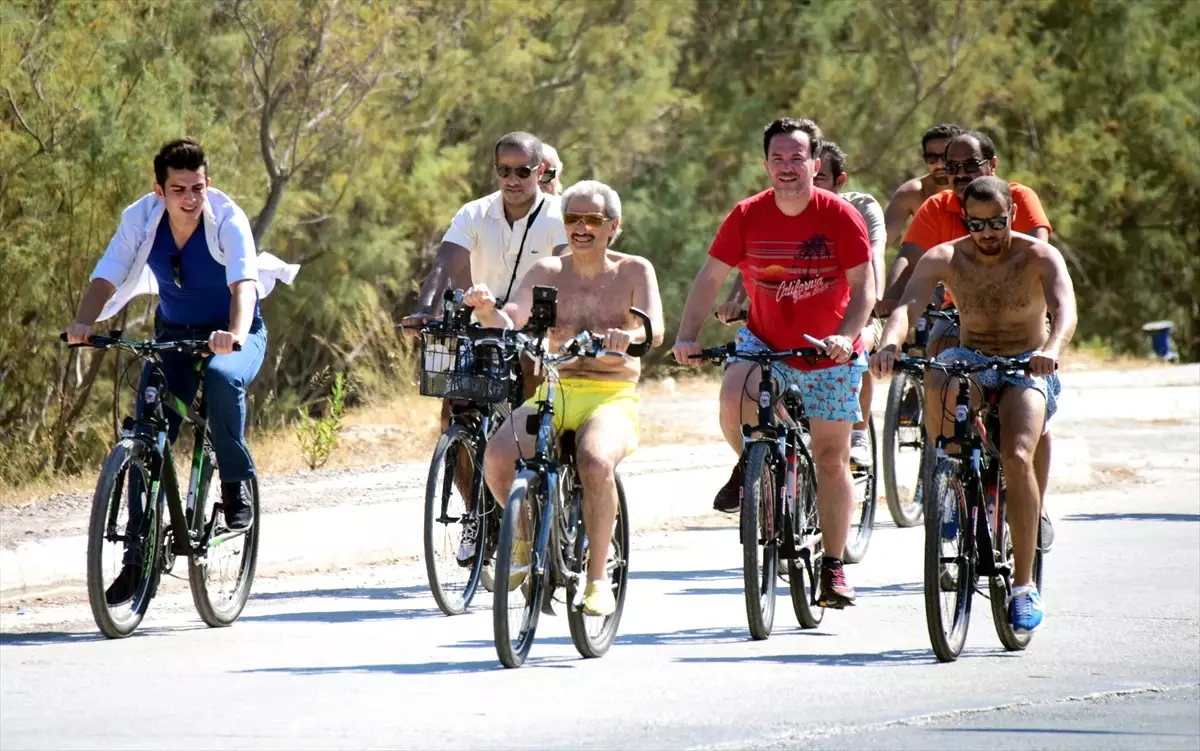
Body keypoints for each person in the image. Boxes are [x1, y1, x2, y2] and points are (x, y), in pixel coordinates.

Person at [65, 138, 299, 601]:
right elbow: (108, 271)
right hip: (174, 332)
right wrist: (83, 322)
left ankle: (234, 484)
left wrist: (231, 334)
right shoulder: (140, 219)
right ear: (159, 191)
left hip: (236, 330)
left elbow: (244, 284)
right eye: (179, 189)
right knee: (147, 435)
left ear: (207, 183)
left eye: (197, 187)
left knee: (222, 378)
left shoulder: (228, 218)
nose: (190, 198)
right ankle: (137, 562)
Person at [673, 118, 875, 609]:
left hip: (828, 348)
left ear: (815, 162)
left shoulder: (839, 215)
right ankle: (753, 462)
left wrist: (846, 338)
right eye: (778, 159)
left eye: (797, 158)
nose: (788, 167)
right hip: (766, 340)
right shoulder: (746, 215)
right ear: (766, 164)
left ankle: (832, 567)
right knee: (732, 393)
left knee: (830, 458)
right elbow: (710, 277)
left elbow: (866, 287)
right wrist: (687, 335)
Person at [870, 176, 1076, 634]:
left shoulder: (1038, 255)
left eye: (997, 222)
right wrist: (890, 343)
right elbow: (909, 307)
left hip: (1027, 361)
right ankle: (949, 474)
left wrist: (1054, 345)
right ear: (965, 220)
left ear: (1011, 216)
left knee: (1018, 455)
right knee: (938, 373)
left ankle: (1023, 586)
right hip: (974, 356)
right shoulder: (945, 256)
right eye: (978, 223)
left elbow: (1065, 309)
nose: (988, 233)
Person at [467, 180, 664, 616]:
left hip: (610, 395)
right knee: (499, 455)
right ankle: (521, 536)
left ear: (613, 226)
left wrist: (627, 336)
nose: (581, 228)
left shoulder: (634, 270)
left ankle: (596, 579)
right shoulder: (547, 272)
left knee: (595, 461)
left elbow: (655, 330)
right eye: (572, 218)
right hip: (555, 389)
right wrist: (485, 311)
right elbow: (513, 319)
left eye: (591, 220)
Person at [811, 141, 886, 468]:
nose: (810, 186)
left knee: (858, 346)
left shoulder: (861, 208)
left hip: (858, 307)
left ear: (840, 181)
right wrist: (734, 302)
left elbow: (874, 256)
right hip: (811, 310)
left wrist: (874, 298)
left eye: (820, 178)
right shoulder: (789, 208)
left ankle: (858, 433)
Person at [881, 123, 963, 254]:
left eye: (945, 157)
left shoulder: (978, 191)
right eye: (932, 158)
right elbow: (880, 243)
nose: (939, 164)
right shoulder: (914, 193)